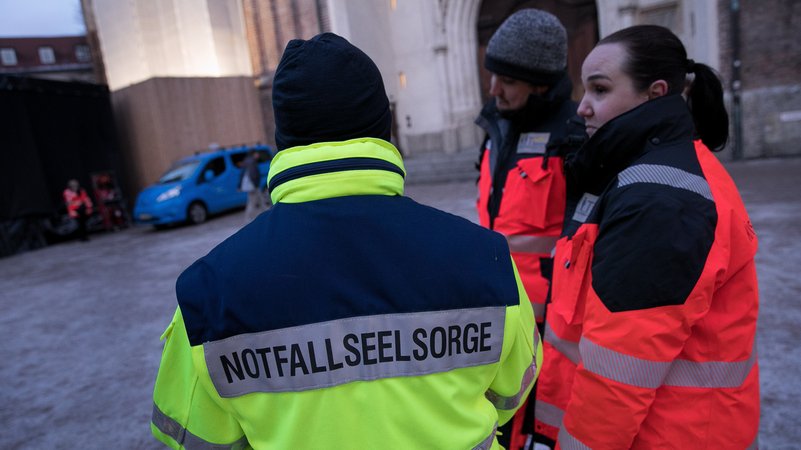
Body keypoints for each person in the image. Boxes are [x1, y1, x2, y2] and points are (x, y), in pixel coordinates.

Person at [151, 32, 541, 450]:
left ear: (284, 139)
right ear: (383, 130)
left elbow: (191, 436)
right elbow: (511, 392)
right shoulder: (486, 259)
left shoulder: (209, 291)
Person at [535, 25, 760, 448]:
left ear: (655, 93)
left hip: (671, 434)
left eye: (599, 90)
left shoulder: (660, 199)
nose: (582, 107)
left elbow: (617, 376)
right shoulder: (651, 174)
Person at [474, 9, 584, 449]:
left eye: (508, 81)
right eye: (492, 75)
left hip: (552, 321)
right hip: (500, 304)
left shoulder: (575, 134)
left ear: (540, 82)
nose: (493, 89)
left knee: (541, 416)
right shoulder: (495, 126)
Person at [239, 149, 266, 222]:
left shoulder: (246, 161)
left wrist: (239, 185)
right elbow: (253, 174)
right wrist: (256, 183)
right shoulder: (252, 162)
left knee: (260, 199)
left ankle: (266, 214)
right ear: (253, 154)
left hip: (250, 185)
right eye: (257, 153)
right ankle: (248, 218)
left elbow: (242, 174)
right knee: (252, 202)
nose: (258, 155)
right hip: (253, 185)